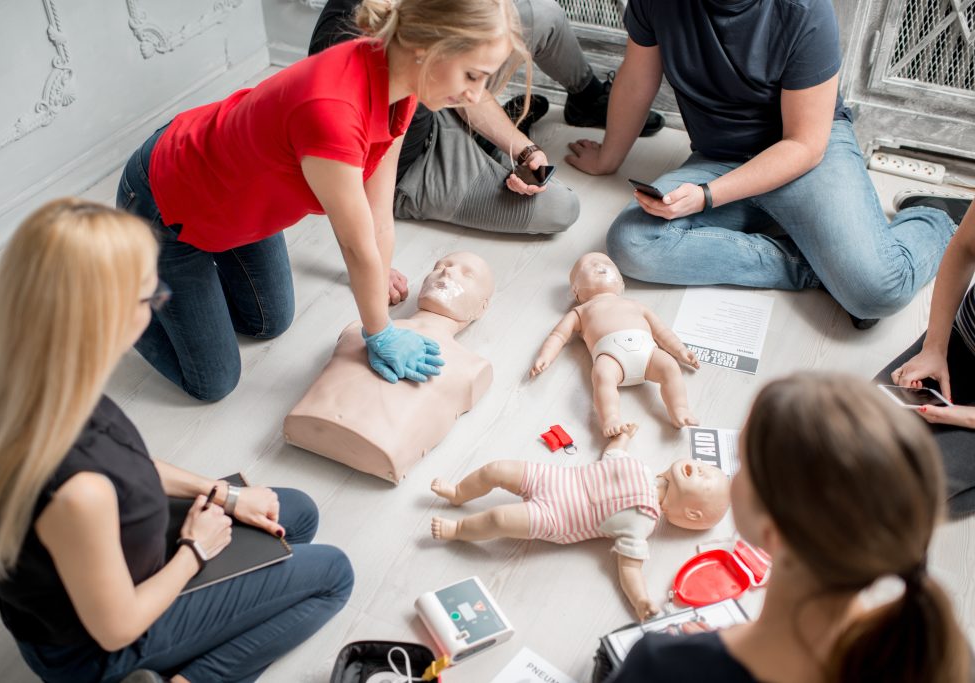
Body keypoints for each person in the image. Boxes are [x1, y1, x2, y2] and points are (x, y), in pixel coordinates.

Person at [0, 199, 354, 683]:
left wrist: (226, 494)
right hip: (99, 649)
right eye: (151, 296)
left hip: (108, 558)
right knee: (333, 575)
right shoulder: (77, 491)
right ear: (105, 315)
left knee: (298, 513)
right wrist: (194, 552)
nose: (158, 303)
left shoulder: (23, 378)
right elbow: (116, 628)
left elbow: (127, 459)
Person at [118, 0, 531, 401]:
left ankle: (188, 290)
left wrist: (381, 282)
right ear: (428, 47)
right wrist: (379, 331)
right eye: (472, 76)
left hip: (237, 199)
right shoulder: (332, 111)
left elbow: (377, 213)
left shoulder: (403, 86)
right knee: (213, 383)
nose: (476, 96)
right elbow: (354, 244)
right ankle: (101, 300)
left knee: (266, 322)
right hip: (168, 205)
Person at [566, 0, 960, 329]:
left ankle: (934, 219)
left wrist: (707, 196)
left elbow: (806, 144)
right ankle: (817, 269)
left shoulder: (804, 10)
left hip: (806, 155)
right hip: (720, 159)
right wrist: (607, 158)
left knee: (877, 292)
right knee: (632, 242)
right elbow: (637, 78)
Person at [606, 373, 971, 683]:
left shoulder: (659, 665)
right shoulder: (940, 659)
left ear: (772, 533)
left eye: (742, 461)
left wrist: (700, 659)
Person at [309, 0, 665, 236]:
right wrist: (377, 264)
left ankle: (583, 101)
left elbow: (464, 86)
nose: (479, 91)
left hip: (437, 95)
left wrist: (524, 150)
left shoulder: (431, 44)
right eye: (474, 77)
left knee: (538, 12)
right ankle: (479, 143)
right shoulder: (367, 68)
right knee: (560, 207)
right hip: (404, 167)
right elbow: (361, 198)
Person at [430, 429, 729, 621]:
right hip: (556, 478)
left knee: (499, 519)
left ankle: (459, 531)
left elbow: (629, 568)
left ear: (692, 514)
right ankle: (459, 493)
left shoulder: (644, 521)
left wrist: (640, 600)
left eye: (705, 478)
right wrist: (623, 436)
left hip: (560, 516)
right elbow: (613, 455)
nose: (701, 467)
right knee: (496, 469)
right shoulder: (640, 466)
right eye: (705, 466)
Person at [284, 252, 496, 483]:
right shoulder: (358, 328)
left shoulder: (474, 367)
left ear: (482, 308)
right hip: (305, 420)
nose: (447, 271)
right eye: (441, 265)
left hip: (381, 450)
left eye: (468, 275)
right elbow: (356, 242)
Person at [529, 252, 700, 433]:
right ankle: (610, 418)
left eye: (606, 262)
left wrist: (680, 350)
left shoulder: (635, 304)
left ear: (621, 282)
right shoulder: (580, 311)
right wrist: (545, 356)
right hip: (611, 358)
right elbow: (558, 336)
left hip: (648, 352)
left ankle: (679, 409)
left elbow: (661, 331)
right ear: (575, 290)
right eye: (589, 265)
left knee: (670, 367)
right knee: (603, 377)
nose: (599, 265)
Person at [881, 197, 975, 516]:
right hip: (963, 344)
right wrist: (935, 346)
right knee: (844, 434)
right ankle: (943, 212)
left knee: (900, 498)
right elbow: (965, 246)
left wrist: (966, 416)